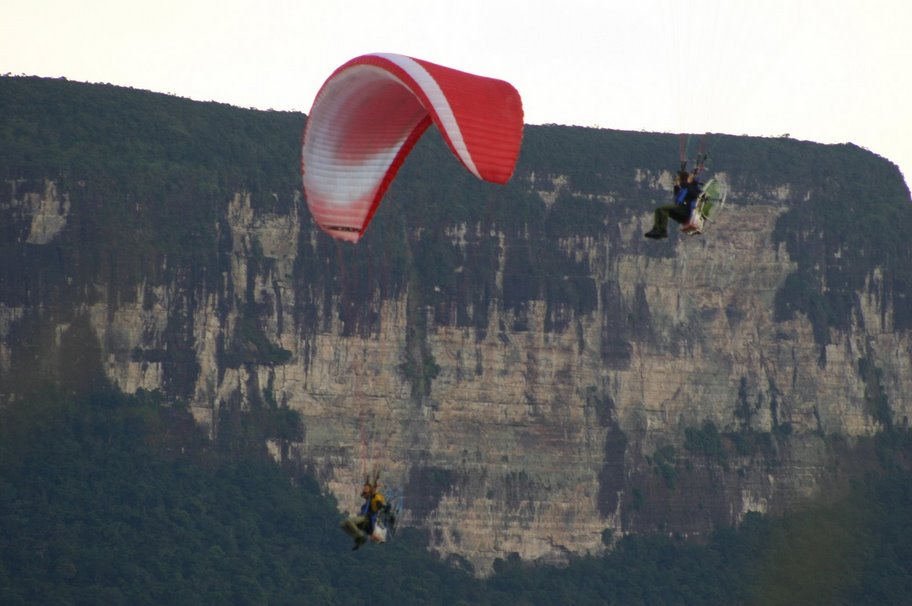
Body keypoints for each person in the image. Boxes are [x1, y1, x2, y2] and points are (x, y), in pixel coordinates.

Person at [644, 170, 702, 239]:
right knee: (658, 210)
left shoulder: (692, 188)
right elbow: (678, 196)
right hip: (682, 213)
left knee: (664, 209)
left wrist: (689, 181)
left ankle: (662, 230)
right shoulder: (685, 188)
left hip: (686, 211)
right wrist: (676, 186)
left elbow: (693, 192)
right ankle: (656, 229)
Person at [340, 477, 387, 550]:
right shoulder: (367, 501)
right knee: (343, 525)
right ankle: (358, 538)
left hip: (367, 519)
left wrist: (381, 505)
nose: (364, 489)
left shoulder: (374, 498)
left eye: (366, 489)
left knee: (348, 522)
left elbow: (378, 503)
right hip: (364, 521)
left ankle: (360, 535)